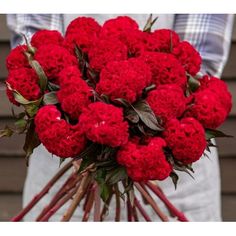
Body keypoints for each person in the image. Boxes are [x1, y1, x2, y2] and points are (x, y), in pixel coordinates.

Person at [7, 14, 234, 221]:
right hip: (62, 159)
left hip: (176, 181)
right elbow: (35, 50)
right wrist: (89, 139)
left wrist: (140, 142)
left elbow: (196, 61)